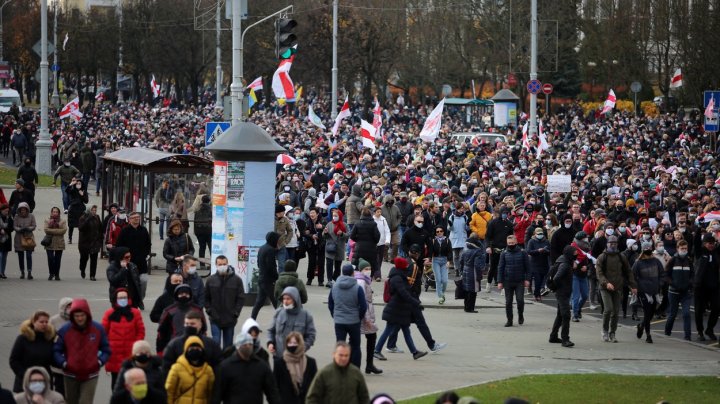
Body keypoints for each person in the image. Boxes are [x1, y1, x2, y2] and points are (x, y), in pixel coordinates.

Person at [53, 298, 111, 404]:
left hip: (91, 374)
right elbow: (56, 350)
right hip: (70, 374)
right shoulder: (65, 330)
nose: (80, 318)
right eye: (76, 316)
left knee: (85, 402)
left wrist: (99, 362)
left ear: (87, 314)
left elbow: (106, 349)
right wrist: (63, 363)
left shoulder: (98, 329)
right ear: (72, 316)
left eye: (82, 315)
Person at [373, 257, 427, 361]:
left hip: (401, 310)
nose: (407, 266)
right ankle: (376, 351)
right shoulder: (397, 278)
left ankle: (415, 352)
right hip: (395, 310)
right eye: (406, 265)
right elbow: (404, 294)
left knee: (406, 331)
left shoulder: (400, 275)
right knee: (388, 330)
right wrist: (416, 303)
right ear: (402, 266)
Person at [213, 333, 282, 404]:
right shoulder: (226, 367)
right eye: (245, 345)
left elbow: (272, 393)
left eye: (250, 344)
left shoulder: (261, 366)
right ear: (238, 347)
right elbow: (217, 394)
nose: (248, 346)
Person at [101, 288, 146, 388]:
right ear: (115, 299)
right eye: (120, 298)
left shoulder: (135, 313)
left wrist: (136, 346)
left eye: (125, 297)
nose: (123, 300)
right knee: (116, 384)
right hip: (114, 355)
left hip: (131, 354)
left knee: (131, 384)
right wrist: (108, 347)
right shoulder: (109, 313)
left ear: (128, 298)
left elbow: (141, 331)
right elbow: (102, 333)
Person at [596, 235, 637, 343]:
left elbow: (628, 271)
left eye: (615, 243)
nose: (613, 245)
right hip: (605, 288)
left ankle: (612, 332)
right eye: (611, 243)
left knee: (616, 312)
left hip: (618, 287)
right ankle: (604, 331)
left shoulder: (621, 256)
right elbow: (599, 274)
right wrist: (606, 283)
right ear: (607, 244)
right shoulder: (602, 257)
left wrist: (633, 286)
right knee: (608, 309)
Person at [328, 264, 367, 369]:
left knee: (340, 345)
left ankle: (338, 367)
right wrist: (359, 317)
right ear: (352, 273)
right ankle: (355, 369)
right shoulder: (357, 287)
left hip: (339, 321)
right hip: (354, 320)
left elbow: (330, 303)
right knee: (355, 346)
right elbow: (363, 306)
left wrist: (334, 314)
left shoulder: (334, 287)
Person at [306, 342, 370, 404]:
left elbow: (364, 398)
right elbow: (312, 398)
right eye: (341, 355)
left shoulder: (356, 373)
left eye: (346, 355)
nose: (344, 358)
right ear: (334, 354)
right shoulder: (324, 373)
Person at [161, 311, 221, 376]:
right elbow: (166, 368)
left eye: (192, 324)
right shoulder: (174, 344)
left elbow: (218, 367)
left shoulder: (211, 345)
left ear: (200, 325)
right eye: (187, 324)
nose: (189, 326)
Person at [204, 254, 245, 349]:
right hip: (215, 318)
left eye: (224, 264)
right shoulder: (210, 280)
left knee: (228, 346)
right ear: (216, 265)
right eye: (220, 264)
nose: (222, 266)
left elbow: (240, 298)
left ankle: (226, 363)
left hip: (230, 319)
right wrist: (209, 310)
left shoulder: (237, 280)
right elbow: (206, 297)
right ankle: (217, 363)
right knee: (216, 343)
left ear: (227, 264)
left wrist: (236, 313)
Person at [9, 311, 56, 393]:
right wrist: (26, 376)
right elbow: (14, 361)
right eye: (41, 322)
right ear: (33, 322)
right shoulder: (22, 339)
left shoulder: (49, 338)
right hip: (25, 382)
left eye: (46, 322)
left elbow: (52, 360)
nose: (44, 324)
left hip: (44, 381)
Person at [268, 287, 317, 358]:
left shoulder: (305, 315)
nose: (285, 301)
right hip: (279, 356)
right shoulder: (278, 312)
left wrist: (303, 348)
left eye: (288, 299)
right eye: (284, 299)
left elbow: (311, 335)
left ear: (295, 300)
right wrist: (270, 343)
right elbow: (271, 331)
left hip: (297, 357)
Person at [156, 285, 206, 354]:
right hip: (174, 347)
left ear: (190, 295)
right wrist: (160, 350)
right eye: (181, 294)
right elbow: (161, 332)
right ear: (176, 295)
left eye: (186, 294)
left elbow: (203, 329)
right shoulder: (169, 311)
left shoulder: (197, 310)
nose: (184, 295)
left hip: (195, 346)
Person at [353, 259, 383, 374]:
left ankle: (368, 365)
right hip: (364, 316)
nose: (368, 271)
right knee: (366, 339)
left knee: (370, 338)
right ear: (361, 270)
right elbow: (363, 302)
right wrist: (367, 319)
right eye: (366, 269)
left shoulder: (365, 280)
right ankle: (364, 366)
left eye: (369, 268)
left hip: (365, 315)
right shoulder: (361, 281)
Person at [165, 336, 215, 404]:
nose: (195, 350)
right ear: (186, 350)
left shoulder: (208, 371)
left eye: (197, 348)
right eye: (191, 348)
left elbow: (210, 393)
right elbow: (170, 391)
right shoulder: (176, 368)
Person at [632, 240, 664, 343]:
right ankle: (648, 335)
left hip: (654, 290)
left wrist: (660, 283)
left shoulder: (656, 261)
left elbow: (662, 274)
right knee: (647, 312)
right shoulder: (638, 263)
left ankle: (641, 325)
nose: (648, 250)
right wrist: (636, 287)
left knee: (652, 312)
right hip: (643, 291)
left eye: (649, 249)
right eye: (646, 249)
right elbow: (632, 276)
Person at [273, 332, 318, 404]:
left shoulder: (311, 363)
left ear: (300, 344)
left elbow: (316, 385)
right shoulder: (279, 363)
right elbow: (275, 386)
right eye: (290, 343)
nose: (292, 345)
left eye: (295, 343)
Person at [116, 211, 152, 299]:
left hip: (142, 262)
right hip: (130, 262)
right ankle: (132, 300)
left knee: (143, 281)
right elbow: (119, 246)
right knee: (130, 283)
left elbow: (148, 243)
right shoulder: (125, 231)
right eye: (134, 217)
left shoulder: (143, 230)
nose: (137, 219)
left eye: (138, 217)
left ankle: (140, 298)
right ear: (130, 220)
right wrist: (123, 258)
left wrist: (146, 254)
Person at [497, 235, 531, 327]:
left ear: (516, 242)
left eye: (512, 243)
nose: (510, 244)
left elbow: (528, 267)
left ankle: (520, 315)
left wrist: (527, 279)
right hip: (508, 281)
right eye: (509, 243)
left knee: (520, 300)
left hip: (519, 281)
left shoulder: (522, 253)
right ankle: (509, 320)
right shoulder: (504, 253)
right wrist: (500, 281)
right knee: (508, 302)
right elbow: (500, 268)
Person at [664, 240, 693, 341]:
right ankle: (667, 332)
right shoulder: (672, 260)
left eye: (686, 248)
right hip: (673, 292)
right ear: (677, 249)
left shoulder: (689, 261)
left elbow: (692, 275)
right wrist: (673, 283)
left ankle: (688, 336)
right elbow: (666, 275)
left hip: (685, 292)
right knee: (673, 313)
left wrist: (690, 284)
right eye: (682, 249)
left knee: (686, 313)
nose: (684, 250)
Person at [692, 233, 719, 341]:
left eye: (713, 243)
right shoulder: (700, 252)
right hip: (700, 286)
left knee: (717, 308)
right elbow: (696, 242)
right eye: (709, 243)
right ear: (705, 243)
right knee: (699, 310)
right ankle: (700, 331)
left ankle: (710, 329)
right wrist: (698, 230)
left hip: (714, 286)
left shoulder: (716, 252)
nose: (711, 245)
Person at [549, 246, 577, 348]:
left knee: (560, 315)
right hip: (562, 293)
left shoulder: (563, 261)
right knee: (566, 315)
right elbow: (557, 278)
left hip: (562, 292)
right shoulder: (565, 264)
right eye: (574, 253)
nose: (576, 255)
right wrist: (558, 288)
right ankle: (565, 339)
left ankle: (553, 336)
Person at [251, 231, 280, 320]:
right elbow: (271, 266)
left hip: (262, 278)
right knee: (277, 303)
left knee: (259, 302)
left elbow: (259, 263)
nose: (278, 241)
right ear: (273, 240)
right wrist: (276, 277)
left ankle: (252, 322)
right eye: (277, 240)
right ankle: (282, 323)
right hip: (268, 281)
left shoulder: (262, 248)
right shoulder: (270, 250)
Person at [485, 207, 514, 290]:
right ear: (500, 213)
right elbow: (487, 236)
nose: (505, 214)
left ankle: (503, 287)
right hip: (494, 248)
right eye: (503, 213)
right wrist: (488, 247)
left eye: (506, 213)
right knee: (493, 267)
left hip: (505, 249)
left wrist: (511, 247)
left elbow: (510, 237)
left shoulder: (509, 224)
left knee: (505, 268)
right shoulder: (493, 223)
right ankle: (488, 283)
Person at [49, 297, 72, 395]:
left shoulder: (77, 318)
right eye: (68, 306)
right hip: (59, 366)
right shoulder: (54, 320)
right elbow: (50, 340)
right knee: (60, 392)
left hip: (73, 365)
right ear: (63, 307)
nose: (70, 308)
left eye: (72, 306)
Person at [459, 235, 486, 313]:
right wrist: (479, 275)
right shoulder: (477, 251)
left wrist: (461, 271)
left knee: (467, 290)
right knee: (473, 291)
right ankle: (470, 308)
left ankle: (466, 307)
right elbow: (477, 265)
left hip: (465, 270)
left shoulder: (465, 250)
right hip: (473, 271)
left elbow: (461, 261)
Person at [324, 209, 349, 287]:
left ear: (340, 216)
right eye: (333, 216)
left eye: (336, 216)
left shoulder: (344, 225)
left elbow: (348, 234)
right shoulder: (329, 224)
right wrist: (325, 233)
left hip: (340, 247)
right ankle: (329, 280)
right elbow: (324, 236)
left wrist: (342, 234)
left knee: (338, 266)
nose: (334, 217)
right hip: (330, 247)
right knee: (329, 264)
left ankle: (336, 278)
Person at [77, 205, 103, 280]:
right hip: (85, 243)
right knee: (84, 258)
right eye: (92, 210)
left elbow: (100, 228)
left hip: (95, 242)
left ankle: (92, 275)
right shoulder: (83, 218)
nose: (94, 212)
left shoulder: (97, 217)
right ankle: (82, 269)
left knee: (94, 260)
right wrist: (88, 219)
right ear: (89, 211)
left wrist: (100, 239)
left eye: (95, 210)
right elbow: (81, 228)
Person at [526, 227, 551, 301]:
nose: (540, 235)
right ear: (535, 234)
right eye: (538, 234)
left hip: (544, 263)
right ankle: (537, 294)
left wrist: (545, 251)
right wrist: (537, 251)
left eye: (541, 234)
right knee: (537, 280)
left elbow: (550, 251)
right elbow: (529, 251)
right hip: (535, 263)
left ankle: (538, 292)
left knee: (542, 281)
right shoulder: (531, 241)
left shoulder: (546, 241)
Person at [43, 206, 67, 281]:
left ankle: (57, 274)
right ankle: (51, 273)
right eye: (54, 212)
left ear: (59, 213)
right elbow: (46, 230)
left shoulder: (63, 221)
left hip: (59, 243)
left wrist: (52, 230)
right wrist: (57, 230)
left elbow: (63, 231)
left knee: (57, 260)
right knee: (50, 259)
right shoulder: (47, 220)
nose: (55, 213)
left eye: (56, 212)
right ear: (51, 212)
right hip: (49, 242)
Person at [431, 225, 453, 304]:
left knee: (444, 280)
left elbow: (450, 251)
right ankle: (440, 296)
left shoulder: (447, 240)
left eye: (441, 231)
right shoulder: (433, 240)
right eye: (437, 231)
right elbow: (430, 251)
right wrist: (429, 258)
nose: (439, 233)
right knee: (438, 279)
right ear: (435, 233)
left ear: (443, 232)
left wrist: (449, 261)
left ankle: (442, 293)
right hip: (436, 260)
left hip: (444, 260)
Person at [13, 202, 36, 279]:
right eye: (21, 210)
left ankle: (29, 271)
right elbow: (14, 226)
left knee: (29, 256)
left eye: (24, 209)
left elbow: (34, 225)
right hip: (19, 238)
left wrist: (28, 228)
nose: (23, 211)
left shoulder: (31, 216)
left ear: (27, 209)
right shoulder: (16, 216)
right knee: (21, 256)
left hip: (28, 237)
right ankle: (22, 271)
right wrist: (20, 229)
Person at [304, 207, 326, 286]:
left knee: (321, 262)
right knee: (311, 262)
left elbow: (328, 230)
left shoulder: (323, 220)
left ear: (317, 214)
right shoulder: (307, 221)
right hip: (311, 244)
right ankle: (309, 279)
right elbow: (304, 233)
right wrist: (311, 235)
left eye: (313, 213)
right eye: (310, 213)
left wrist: (322, 227)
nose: (311, 214)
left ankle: (321, 281)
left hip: (321, 244)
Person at [448, 203, 469, 277]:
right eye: (460, 208)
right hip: (454, 238)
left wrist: (467, 227)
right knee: (455, 256)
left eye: (463, 208)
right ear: (457, 209)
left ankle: (461, 270)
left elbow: (467, 228)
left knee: (462, 255)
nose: (461, 210)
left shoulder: (465, 217)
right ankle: (456, 269)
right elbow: (449, 229)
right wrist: (450, 225)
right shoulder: (452, 217)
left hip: (463, 238)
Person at [66, 176, 88, 244]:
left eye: (79, 183)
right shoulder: (73, 190)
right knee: (71, 225)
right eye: (77, 183)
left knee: (81, 225)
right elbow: (67, 190)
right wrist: (71, 184)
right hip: (73, 208)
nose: (78, 184)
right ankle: (70, 238)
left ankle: (81, 239)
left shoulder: (83, 191)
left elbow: (86, 201)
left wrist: (82, 195)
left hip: (81, 209)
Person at [380, 194, 402, 264]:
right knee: (386, 245)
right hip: (385, 230)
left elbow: (399, 216)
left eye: (391, 201)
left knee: (396, 244)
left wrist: (397, 223)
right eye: (388, 201)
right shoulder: (381, 208)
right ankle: (385, 257)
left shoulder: (395, 207)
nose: (389, 202)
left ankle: (393, 258)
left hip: (394, 229)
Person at [373, 205, 391, 281]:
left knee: (380, 259)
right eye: (378, 212)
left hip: (382, 242)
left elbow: (387, 231)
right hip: (374, 243)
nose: (379, 213)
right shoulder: (372, 220)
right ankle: (377, 275)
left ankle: (376, 272)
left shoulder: (383, 220)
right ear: (374, 213)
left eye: (380, 212)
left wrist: (387, 240)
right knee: (376, 258)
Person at [275, 204, 294, 270]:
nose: (284, 213)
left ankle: (280, 279)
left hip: (281, 246)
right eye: (283, 211)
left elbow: (290, 231)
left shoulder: (285, 220)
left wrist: (286, 241)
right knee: (271, 265)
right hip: (271, 246)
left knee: (282, 265)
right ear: (278, 212)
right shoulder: (271, 219)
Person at [193, 195, 212, 260]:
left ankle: (202, 264)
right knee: (211, 248)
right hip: (209, 231)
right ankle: (212, 263)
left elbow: (195, 222)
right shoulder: (211, 210)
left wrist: (196, 233)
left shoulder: (198, 209)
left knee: (202, 248)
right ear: (209, 201)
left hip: (200, 232)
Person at [0, 203, 13, 279]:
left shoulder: (10, 217)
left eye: (7, 211)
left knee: (4, 256)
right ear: (1, 210)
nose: (6, 212)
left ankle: (2, 272)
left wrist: (4, 230)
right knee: (1, 255)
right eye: (5, 211)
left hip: (7, 238)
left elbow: (12, 228)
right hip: (0, 238)